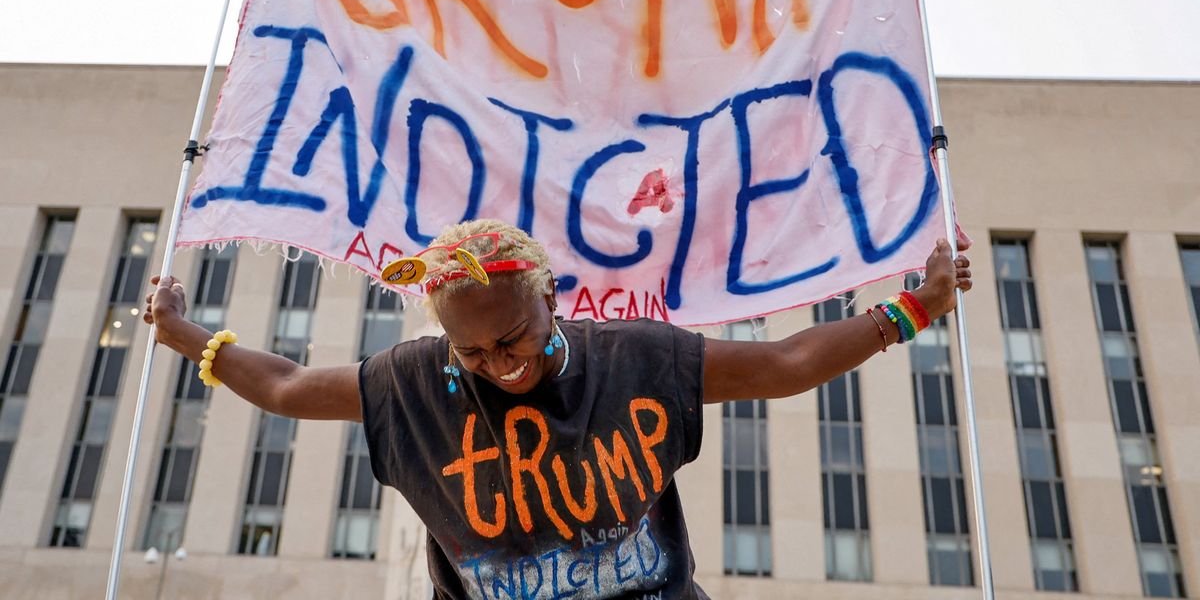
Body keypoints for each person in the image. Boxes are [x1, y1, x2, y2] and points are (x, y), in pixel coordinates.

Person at [146, 219, 971, 600]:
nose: (499, 369)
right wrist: (183, 334)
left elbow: (788, 365)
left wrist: (916, 308)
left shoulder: (638, 361)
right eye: (472, 354)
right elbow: (287, 387)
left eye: (514, 341)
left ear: (553, 301)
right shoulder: (414, 382)